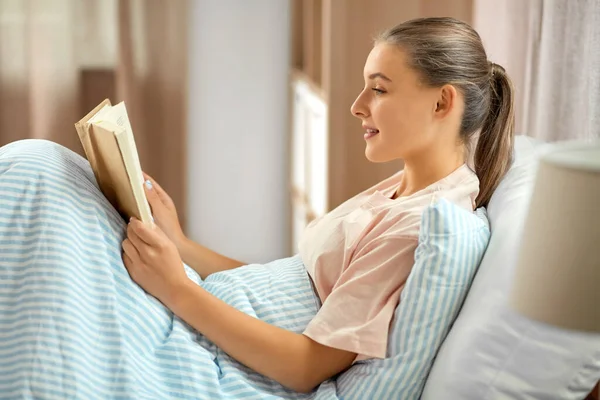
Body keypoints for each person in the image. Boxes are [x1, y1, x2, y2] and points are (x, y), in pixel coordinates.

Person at [121, 16, 514, 393]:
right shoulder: (403, 190)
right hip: (204, 325)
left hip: (214, 362)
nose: (357, 106)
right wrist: (180, 246)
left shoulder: (418, 226)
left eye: (378, 89)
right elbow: (293, 278)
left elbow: (306, 366)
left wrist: (175, 287)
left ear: (442, 103)